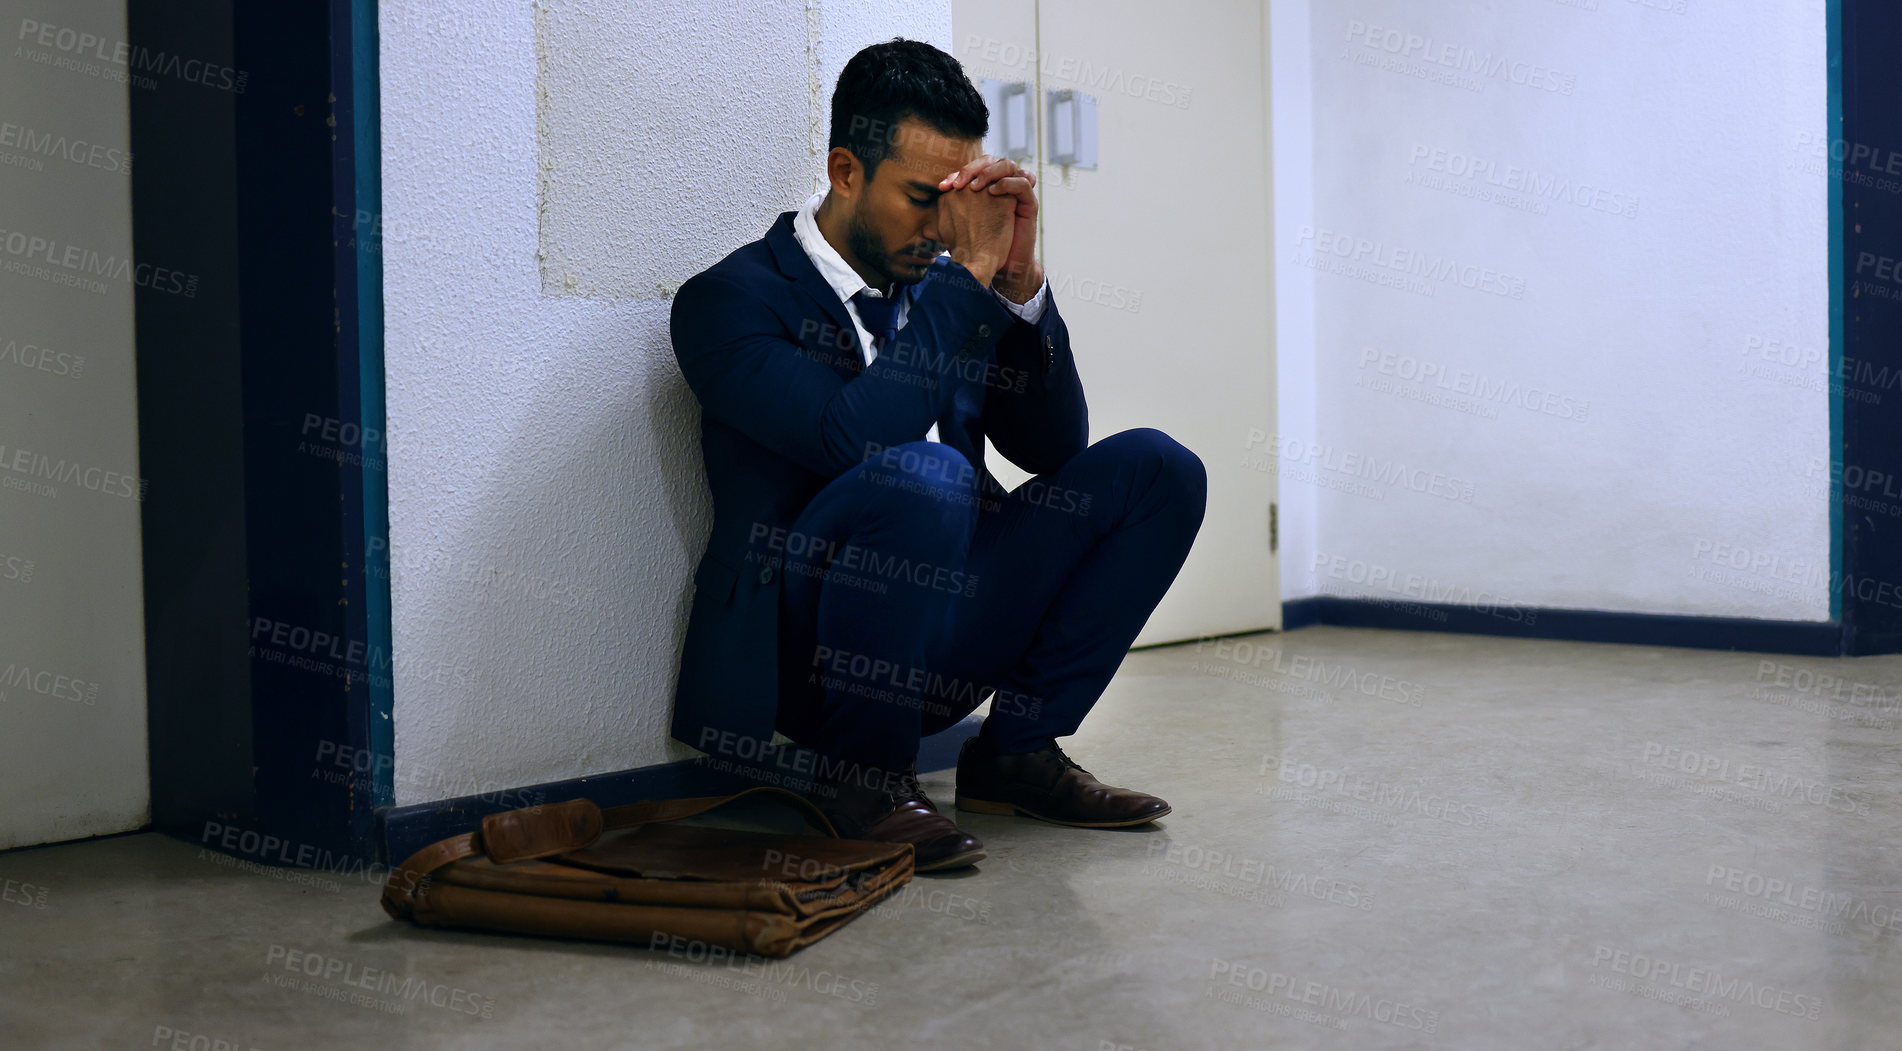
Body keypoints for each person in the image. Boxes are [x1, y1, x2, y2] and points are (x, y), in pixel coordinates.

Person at [669, 37, 1206, 870]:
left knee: (1158, 469)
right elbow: (851, 441)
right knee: (929, 473)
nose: (944, 228)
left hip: (947, 614)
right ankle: (864, 780)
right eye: (922, 198)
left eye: (955, 199)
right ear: (846, 171)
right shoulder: (730, 302)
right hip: (809, 653)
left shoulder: (944, 292)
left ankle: (1016, 754)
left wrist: (1018, 286)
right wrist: (970, 280)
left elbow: (1055, 449)